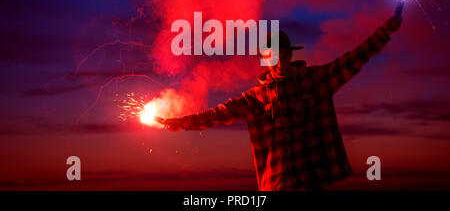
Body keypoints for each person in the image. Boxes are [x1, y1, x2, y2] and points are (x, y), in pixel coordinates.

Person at [159, 15, 402, 191]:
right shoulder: (255, 98)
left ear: (291, 55)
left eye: (285, 55)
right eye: (274, 57)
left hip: (310, 180)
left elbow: (354, 58)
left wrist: (384, 33)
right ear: (265, 59)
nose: (281, 62)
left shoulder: (315, 80)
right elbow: (217, 113)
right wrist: (179, 123)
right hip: (276, 184)